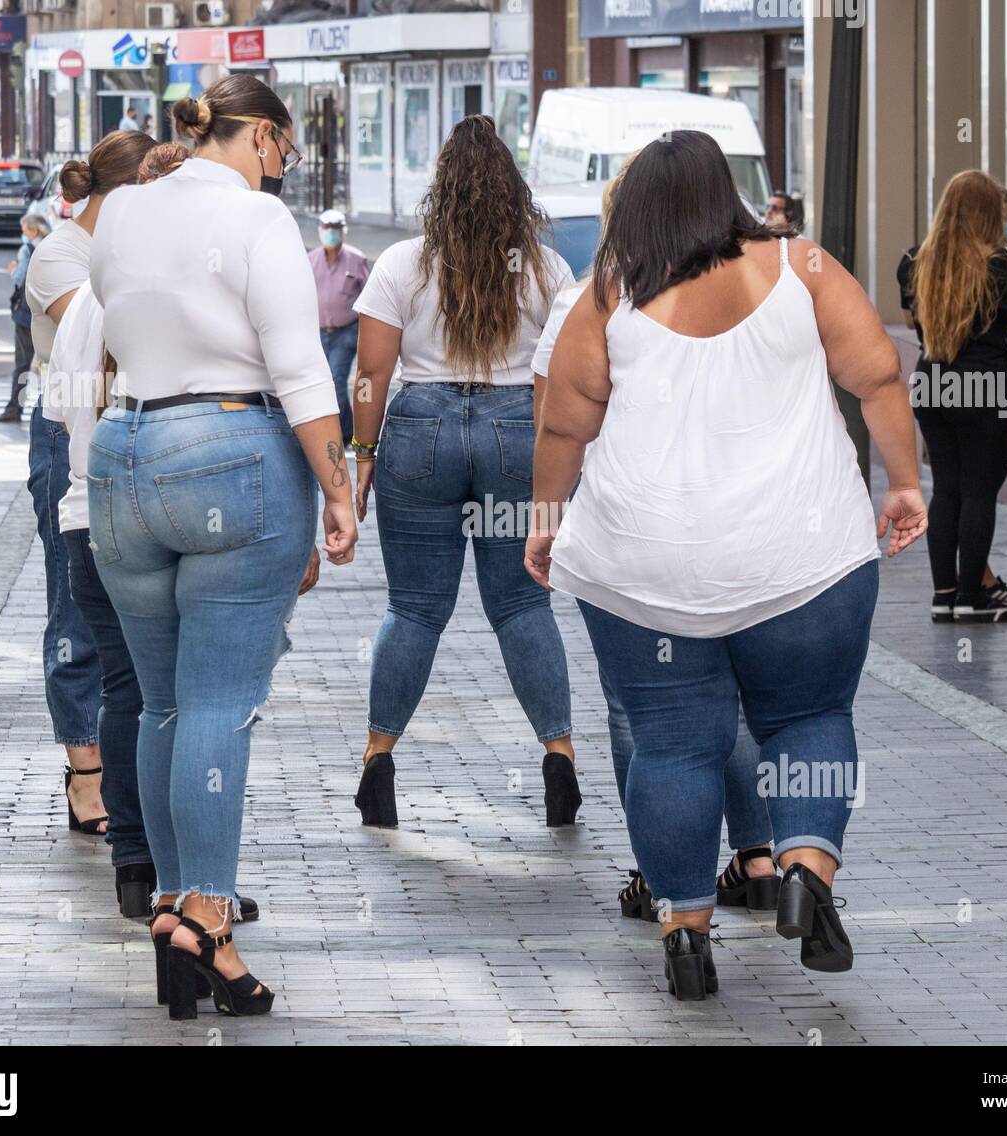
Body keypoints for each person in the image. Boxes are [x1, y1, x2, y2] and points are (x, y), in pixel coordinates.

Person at [525, 129, 928, 1000]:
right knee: (810, 715)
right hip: (804, 560)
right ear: (728, 194)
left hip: (645, 572)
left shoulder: (610, 296)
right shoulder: (803, 267)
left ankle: (683, 933)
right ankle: (807, 875)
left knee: (671, 746)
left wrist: (546, 521)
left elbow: (564, 427)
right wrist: (901, 483)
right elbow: (880, 377)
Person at [89, 74, 357, 1019]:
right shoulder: (257, 221)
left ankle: (172, 905)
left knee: (162, 704)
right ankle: (204, 912)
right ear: (260, 140)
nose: (281, 169)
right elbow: (298, 367)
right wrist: (341, 488)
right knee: (219, 706)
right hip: (231, 455)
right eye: (282, 151)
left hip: (122, 454)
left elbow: (116, 325)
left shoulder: (120, 210)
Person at [530, 163, 779, 919]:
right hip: (733, 527)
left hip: (632, 539)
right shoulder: (753, 296)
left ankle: (664, 876)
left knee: (641, 710)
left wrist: (546, 519)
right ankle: (760, 855)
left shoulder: (590, 300)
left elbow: (555, 420)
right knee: (729, 699)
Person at [350, 114, 578, 832]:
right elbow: (560, 379)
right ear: (513, 191)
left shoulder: (402, 263)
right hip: (516, 429)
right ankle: (560, 760)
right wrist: (555, 481)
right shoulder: (545, 270)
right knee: (522, 605)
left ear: (439, 188)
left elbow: (370, 373)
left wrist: (359, 461)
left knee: (414, 607)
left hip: (420, 430)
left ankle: (377, 764)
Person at [26, 129, 158, 844]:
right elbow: (114, 336)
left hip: (133, 438)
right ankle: (85, 771)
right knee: (73, 611)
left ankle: (122, 774)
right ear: (128, 187)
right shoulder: (61, 255)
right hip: (69, 436)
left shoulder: (131, 249)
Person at [897, 170, 1007, 623]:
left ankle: (944, 594)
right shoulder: (995, 264)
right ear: (987, 214)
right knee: (980, 491)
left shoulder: (913, 260)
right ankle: (971, 597)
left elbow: (909, 322)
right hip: (987, 385)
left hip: (933, 382)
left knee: (947, 489)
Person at [309, 208, 370, 445]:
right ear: (320, 231)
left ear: (343, 231)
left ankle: (344, 432)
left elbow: (369, 297)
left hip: (345, 332)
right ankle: (341, 426)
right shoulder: (311, 260)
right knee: (322, 382)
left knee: (336, 379)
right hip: (319, 331)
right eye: (327, 228)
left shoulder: (356, 259)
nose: (331, 233)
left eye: (336, 229)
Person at [0, 215, 49, 424]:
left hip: (26, 315)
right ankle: (50, 410)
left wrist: (13, 269)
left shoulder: (27, 250)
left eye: (24, 230)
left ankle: (14, 408)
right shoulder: (53, 245)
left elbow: (20, 278)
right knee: (51, 366)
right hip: (49, 315)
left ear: (33, 231)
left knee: (22, 365)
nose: (23, 234)